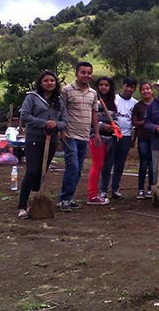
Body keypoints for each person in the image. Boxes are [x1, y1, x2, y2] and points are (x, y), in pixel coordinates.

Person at [17, 70, 67, 219]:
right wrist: (44, 123)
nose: (49, 83)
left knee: (41, 173)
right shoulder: (32, 97)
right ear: (40, 83)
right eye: (46, 80)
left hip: (51, 140)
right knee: (31, 171)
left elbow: (65, 121)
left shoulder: (59, 101)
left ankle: (36, 199)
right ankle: (22, 205)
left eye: (52, 80)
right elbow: (24, 115)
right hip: (34, 139)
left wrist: (56, 125)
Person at [58, 62, 100, 212]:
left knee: (79, 168)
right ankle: (64, 199)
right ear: (76, 73)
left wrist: (96, 133)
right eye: (83, 72)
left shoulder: (93, 93)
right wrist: (61, 131)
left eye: (89, 73)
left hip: (85, 135)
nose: (86, 75)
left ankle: (69, 197)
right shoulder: (67, 90)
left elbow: (94, 113)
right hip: (70, 134)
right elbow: (61, 111)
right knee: (73, 166)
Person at [99, 77, 138, 200]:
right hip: (112, 135)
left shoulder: (135, 103)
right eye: (127, 86)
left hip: (126, 136)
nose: (129, 89)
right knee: (108, 163)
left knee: (120, 164)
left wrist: (133, 138)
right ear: (123, 86)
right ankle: (103, 189)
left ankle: (115, 188)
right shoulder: (114, 99)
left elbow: (134, 122)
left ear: (134, 89)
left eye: (132, 87)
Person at [86, 77, 117, 205]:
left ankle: (100, 192)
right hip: (96, 137)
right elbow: (89, 121)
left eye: (106, 85)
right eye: (101, 85)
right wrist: (103, 126)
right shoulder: (94, 100)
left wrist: (114, 126)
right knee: (97, 165)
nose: (104, 87)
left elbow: (113, 119)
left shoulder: (112, 102)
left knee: (106, 166)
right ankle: (92, 195)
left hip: (110, 138)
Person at [132, 81, 155, 199]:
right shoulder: (138, 106)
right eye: (143, 89)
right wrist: (146, 123)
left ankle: (151, 188)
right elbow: (134, 122)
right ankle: (140, 189)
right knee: (143, 163)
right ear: (140, 92)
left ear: (152, 90)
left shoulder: (157, 104)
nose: (146, 91)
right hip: (143, 138)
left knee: (153, 164)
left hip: (155, 138)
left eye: (148, 89)